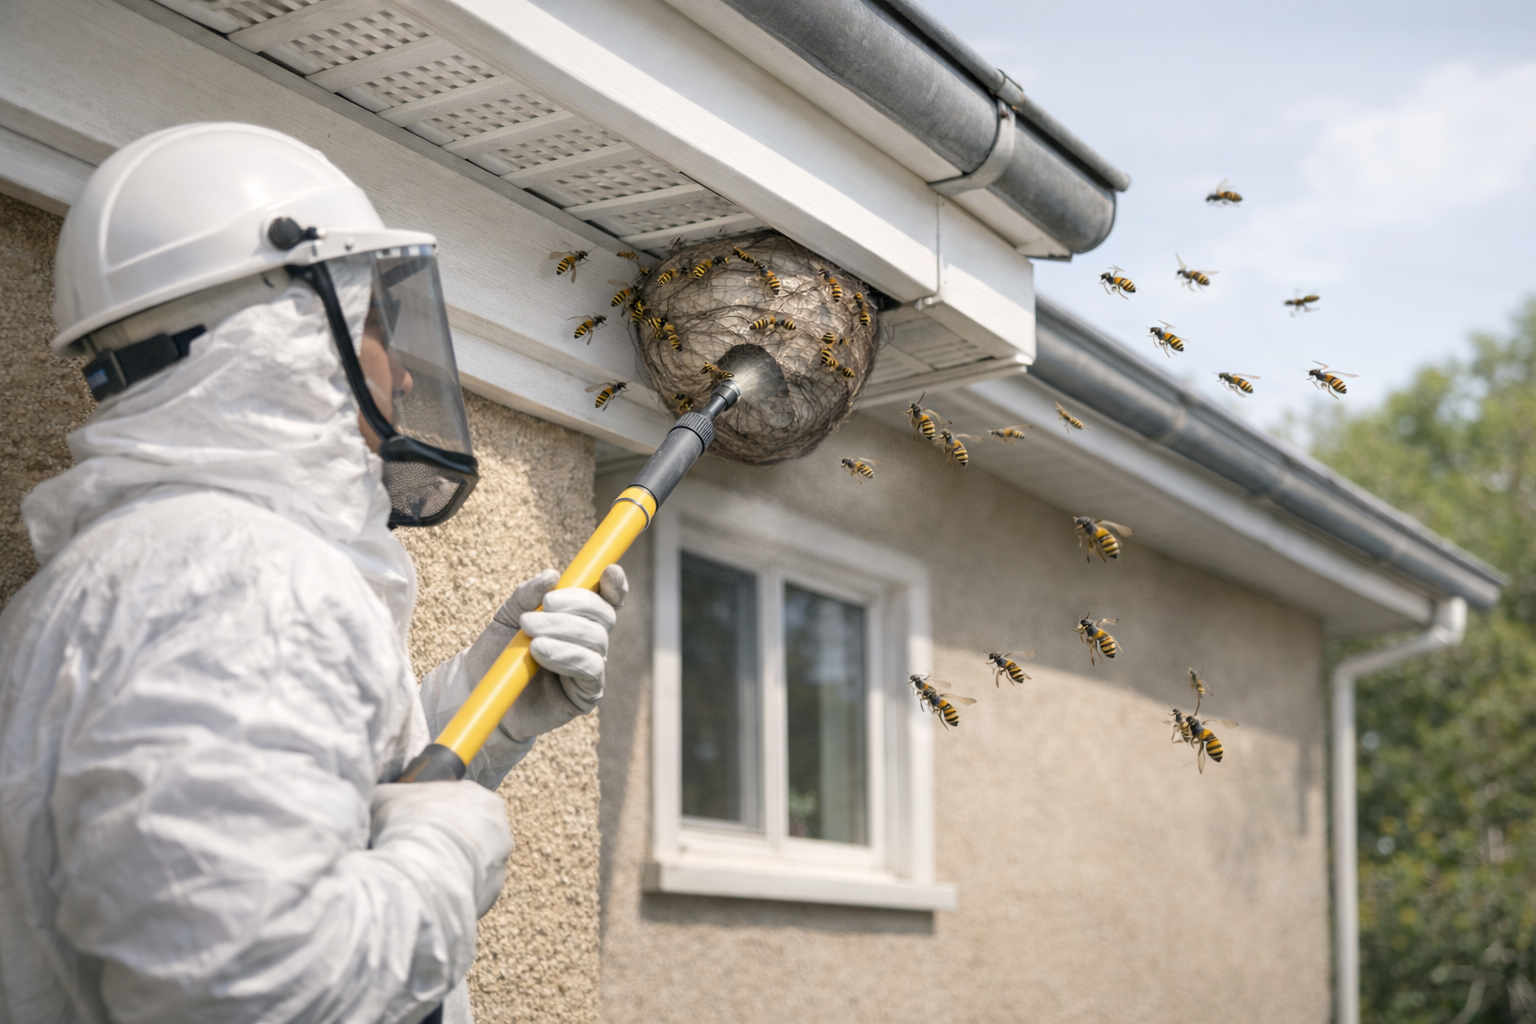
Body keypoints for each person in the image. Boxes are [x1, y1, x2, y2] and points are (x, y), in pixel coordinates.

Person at [0, 123, 625, 1024]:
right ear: (281, 331)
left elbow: (289, 813)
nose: (405, 380)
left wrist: (484, 712)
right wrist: (444, 862)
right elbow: (240, 989)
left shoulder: (135, 575)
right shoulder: (238, 580)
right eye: (375, 325)